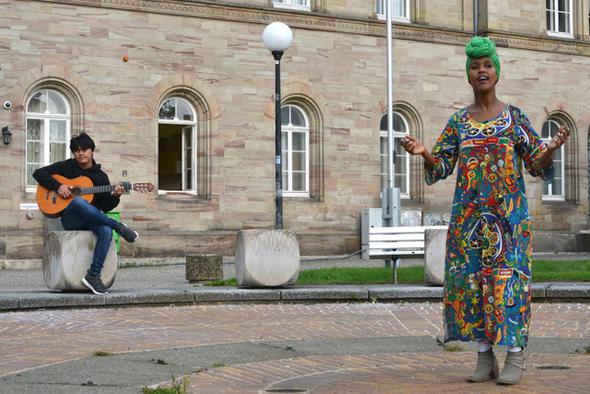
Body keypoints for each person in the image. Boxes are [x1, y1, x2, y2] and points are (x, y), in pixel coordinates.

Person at [401, 36, 570, 385]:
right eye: (475, 66)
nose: (482, 70)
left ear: (497, 72)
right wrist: (424, 153)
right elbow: (442, 167)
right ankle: (483, 357)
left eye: (487, 64)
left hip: (509, 221)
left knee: (508, 286)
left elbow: (537, 164)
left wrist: (551, 148)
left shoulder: (514, 118)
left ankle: (516, 358)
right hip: (470, 221)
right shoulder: (459, 122)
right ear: (468, 74)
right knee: (473, 284)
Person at [33, 132, 138, 295]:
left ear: (92, 151)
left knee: (105, 231)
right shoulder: (67, 166)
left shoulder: (101, 177)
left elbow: (105, 207)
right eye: (76, 150)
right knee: (77, 201)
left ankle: (93, 276)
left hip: (91, 220)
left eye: (84, 149)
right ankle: (117, 226)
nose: (80, 153)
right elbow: (38, 173)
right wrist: (58, 186)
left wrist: (116, 195)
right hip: (70, 219)